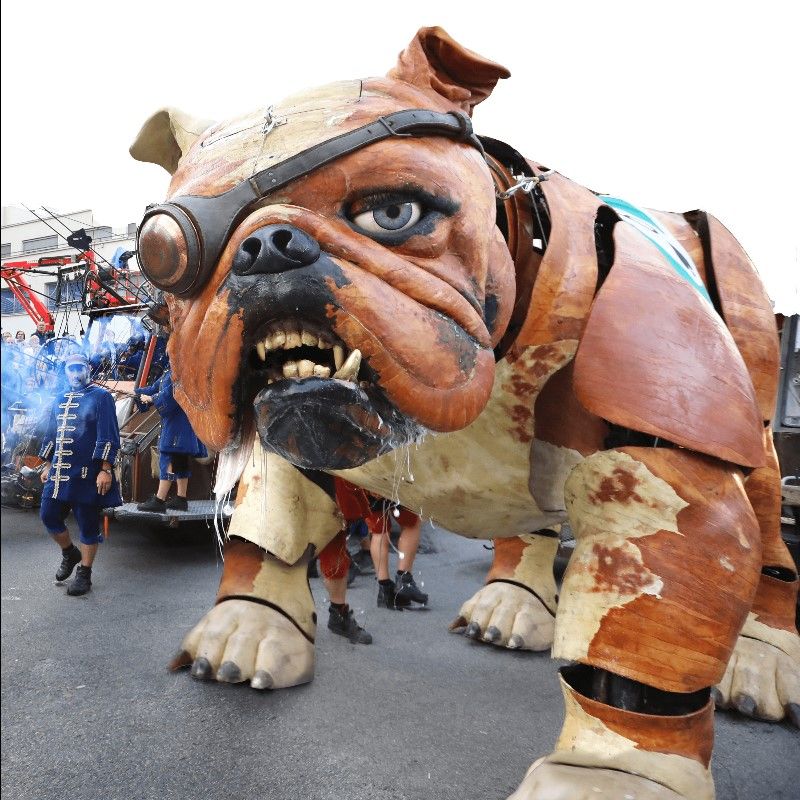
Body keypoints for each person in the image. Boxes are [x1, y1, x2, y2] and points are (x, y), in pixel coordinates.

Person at [38, 352, 122, 596]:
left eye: (79, 368)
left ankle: (85, 573)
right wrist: (46, 465)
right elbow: (52, 433)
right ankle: (69, 553)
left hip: (88, 474)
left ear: (88, 369)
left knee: (88, 525)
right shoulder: (60, 398)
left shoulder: (102, 397)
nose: (75, 373)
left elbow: (108, 434)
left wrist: (105, 469)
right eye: (70, 368)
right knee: (48, 516)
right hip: (58, 474)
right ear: (65, 371)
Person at [134, 363, 208, 512]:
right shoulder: (171, 372)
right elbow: (155, 388)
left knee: (167, 457)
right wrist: (137, 393)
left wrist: (152, 398)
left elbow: (172, 395)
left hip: (178, 424)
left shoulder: (182, 372)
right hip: (178, 423)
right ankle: (181, 498)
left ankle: (159, 500)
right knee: (180, 461)